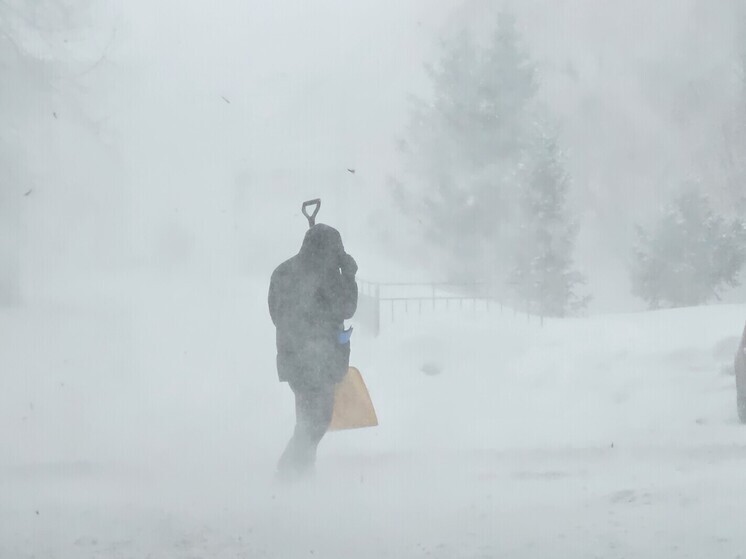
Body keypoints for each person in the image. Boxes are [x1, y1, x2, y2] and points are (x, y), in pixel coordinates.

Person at [268, 223, 358, 479]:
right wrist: (348, 274)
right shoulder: (327, 275)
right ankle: (289, 470)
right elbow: (347, 307)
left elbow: (275, 313)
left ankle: (302, 471)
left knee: (307, 417)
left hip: (291, 357)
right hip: (319, 360)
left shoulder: (282, 271)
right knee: (319, 419)